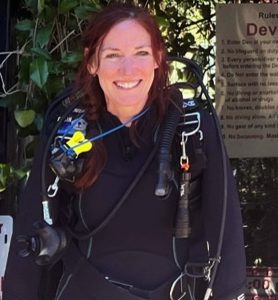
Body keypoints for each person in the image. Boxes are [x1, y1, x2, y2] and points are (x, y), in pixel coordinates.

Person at [3, 3, 246, 300]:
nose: (128, 70)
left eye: (141, 53)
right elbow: (32, 227)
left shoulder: (191, 129)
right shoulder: (67, 131)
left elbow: (227, 231)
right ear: (92, 63)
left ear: (158, 58)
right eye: (113, 55)